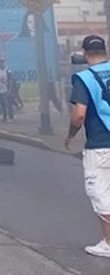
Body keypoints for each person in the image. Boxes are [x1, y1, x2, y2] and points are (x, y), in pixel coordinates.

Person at [65, 35, 110, 257]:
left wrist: (71, 135)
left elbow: (78, 116)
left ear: (84, 54)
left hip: (101, 145)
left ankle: (109, 244)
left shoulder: (84, 78)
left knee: (101, 193)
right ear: (105, 50)